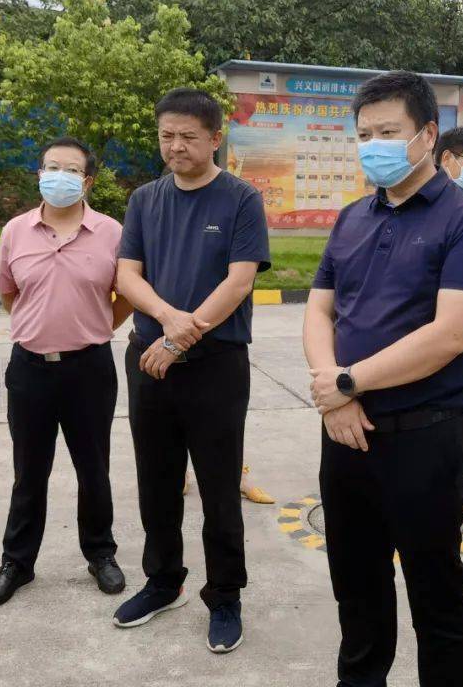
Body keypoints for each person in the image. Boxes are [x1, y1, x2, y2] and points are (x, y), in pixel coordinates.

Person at [303, 71, 463, 687]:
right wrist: (333, 391)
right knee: (356, 586)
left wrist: (346, 383)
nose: (373, 146)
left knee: (435, 590)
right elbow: (318, 308)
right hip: (346, 433)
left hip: (425, 437)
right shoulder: (352, 218)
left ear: (426, 134)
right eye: (363, 134)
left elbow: (450, 334)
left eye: (388, 132)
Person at [113, 88, 270, 653]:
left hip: (214, 366)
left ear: (214, 139)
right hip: (150, 362)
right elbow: (127, 276)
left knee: (219, 487)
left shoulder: (241, 200)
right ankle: (163, 581)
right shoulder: (144, 200)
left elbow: (239, 281)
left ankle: (224, 594)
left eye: (188, 137)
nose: (175, 146)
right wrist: (166, 319)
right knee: (156, 482)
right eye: (166, 136)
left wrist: (182, 338)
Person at [0, 137, 134, 609]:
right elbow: (9, 293)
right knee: (29, 470)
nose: (59, 176)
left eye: (70, 169)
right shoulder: (15, 231)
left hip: (89, 369)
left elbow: (125, 294)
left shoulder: (112, 232)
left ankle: (100, 553)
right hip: (29, 369)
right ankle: (17, 563)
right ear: (39, 173)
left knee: (94, 468)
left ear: (86, 181)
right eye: (51, 166)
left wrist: (92, 328)